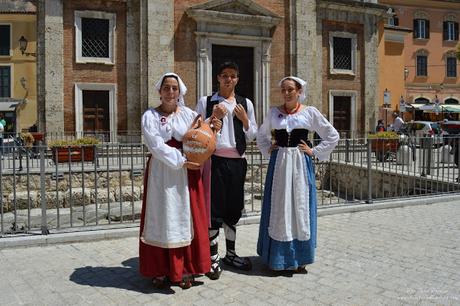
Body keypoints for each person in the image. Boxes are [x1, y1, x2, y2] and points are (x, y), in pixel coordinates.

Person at [140, 72, 220, 289]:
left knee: (186, 218)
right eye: (166, 88)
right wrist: (180, 160)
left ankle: (185, 269)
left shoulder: (189, 115)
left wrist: (213, 130)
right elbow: (155, 145)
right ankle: (160, 269)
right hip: (162, 171)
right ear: (160, 91)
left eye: (174, 88)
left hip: (187, 173)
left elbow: (202, 138)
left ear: (180, 91)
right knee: (162, 216)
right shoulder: (150, 116)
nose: (170, 92)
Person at [256, 76, 339, 272]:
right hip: (280, 164)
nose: (286, 93)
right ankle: (277, 258)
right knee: (280, 205)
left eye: (290, 90)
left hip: (301, 164)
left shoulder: (309, 113)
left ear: (299, 91)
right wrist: (269, 148)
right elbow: (261, 135)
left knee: (299, 206)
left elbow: (332, 134)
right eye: (283, 89)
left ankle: (299, 257)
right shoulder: (274, 113)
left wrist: (314, 151)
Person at [196, 61, 258, 279]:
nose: (228, 79)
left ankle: (230, 254)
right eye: (224, 75)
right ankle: (212, 257)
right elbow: (195, 131)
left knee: (233, 209)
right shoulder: (206, 102)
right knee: (214, 211)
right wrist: (213, 119)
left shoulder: (245, 103)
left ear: (237, 79)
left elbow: (253, 136)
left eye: (233, 76)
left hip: (237, 162)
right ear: (218, 78)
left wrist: (244, 120)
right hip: (215, 161)